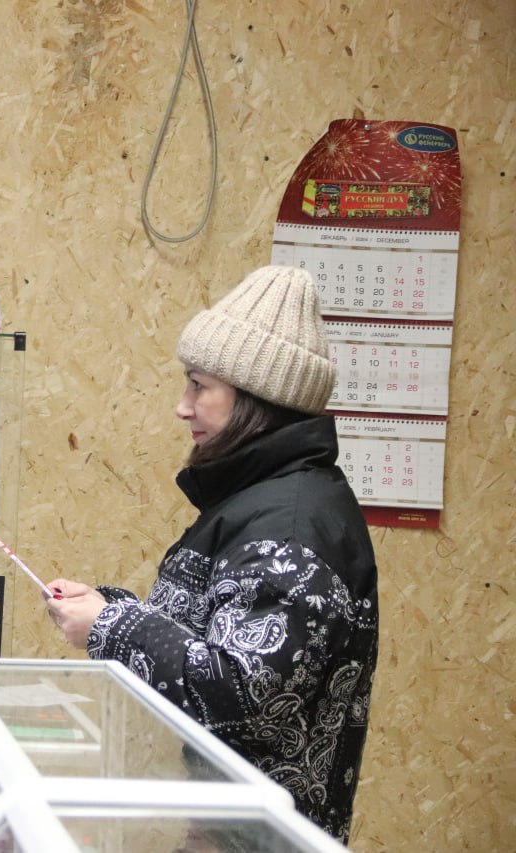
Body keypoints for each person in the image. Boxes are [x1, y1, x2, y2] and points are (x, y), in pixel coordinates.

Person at [46, 266, 378, 843]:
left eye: (198, 385)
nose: (183, 406)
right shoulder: (257, 499)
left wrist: (111, 627)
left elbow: (244, 691)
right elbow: (210, 630)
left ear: (256, 397)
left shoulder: (290, 529)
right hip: (226, 828)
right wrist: (108, 607)